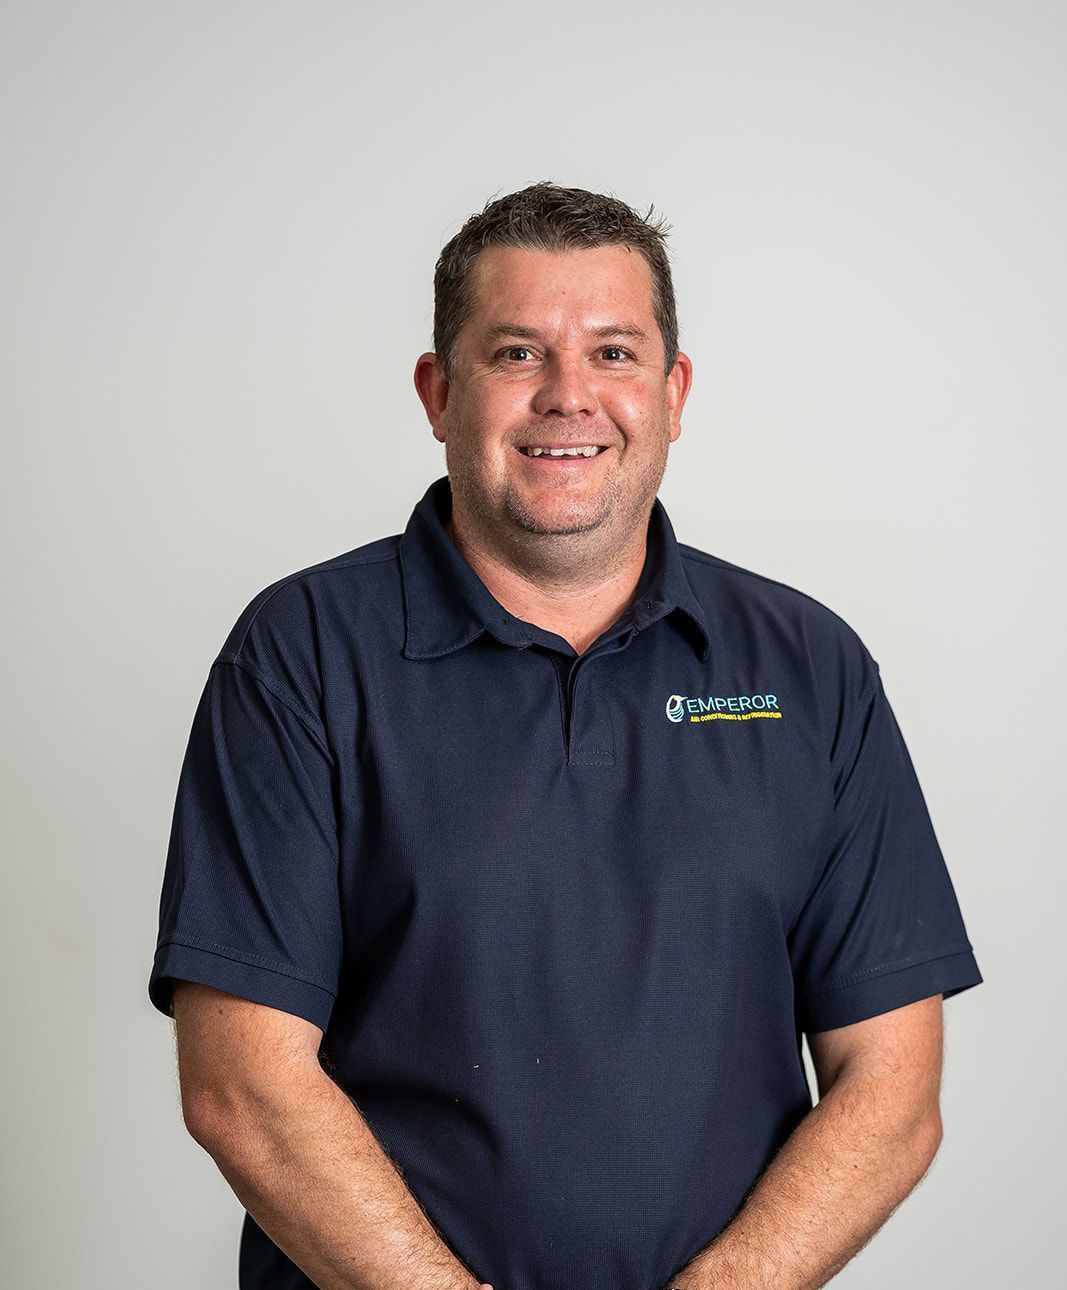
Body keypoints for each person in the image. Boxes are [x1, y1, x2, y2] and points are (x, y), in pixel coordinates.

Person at [148, 181, 983, 1290]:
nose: (567, 397)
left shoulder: (808, 666)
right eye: (513, 355)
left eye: (613, 354)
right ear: (437, 394)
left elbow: (890, 1089)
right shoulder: (300, 654)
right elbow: (241, 1088)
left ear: (673, 393)